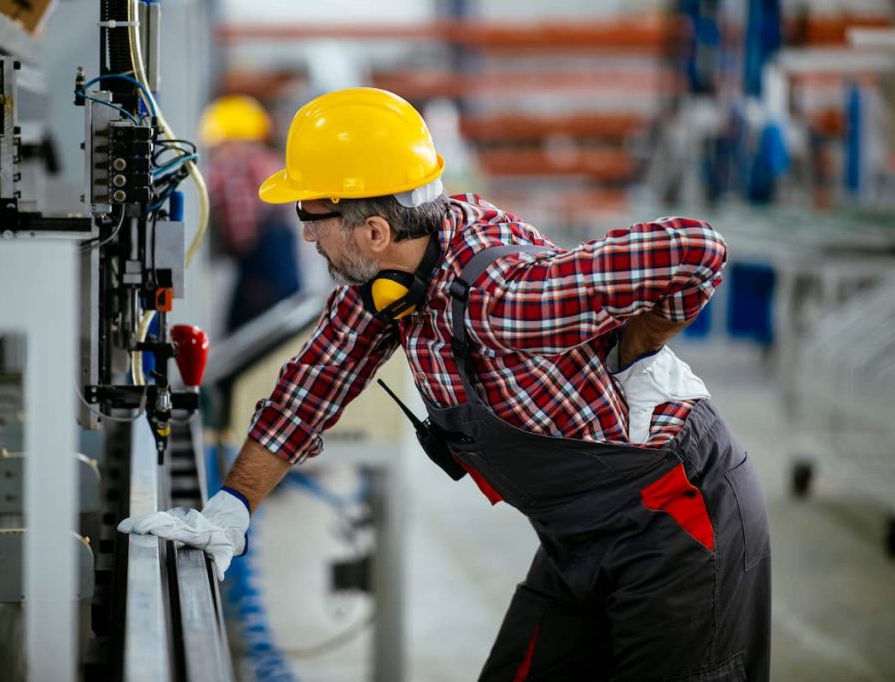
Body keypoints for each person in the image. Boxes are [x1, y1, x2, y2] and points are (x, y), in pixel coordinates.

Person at [121, 88, 771, 681]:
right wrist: (231, 510)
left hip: (678, 520)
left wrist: (641, 344)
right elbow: (311, 387)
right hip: (582, 540)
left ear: (374, 231)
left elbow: (696, 250)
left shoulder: (504, 293)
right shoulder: (388, 285)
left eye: (312, 214)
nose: (306, 233)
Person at [199, 94, 301, 332]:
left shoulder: (233, 169)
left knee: (246, 331)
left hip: (261, 266)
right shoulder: (270, 163)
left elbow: (241, 232)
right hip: (278, 265)